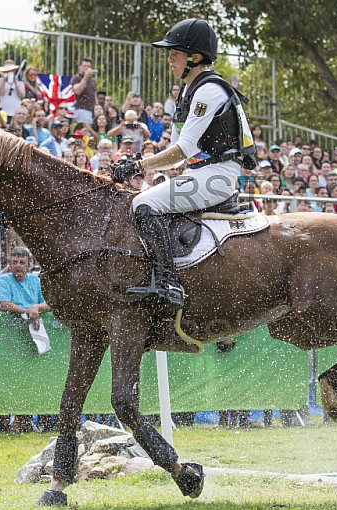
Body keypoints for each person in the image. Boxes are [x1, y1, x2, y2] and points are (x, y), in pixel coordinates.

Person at [111, 19, 257, 313]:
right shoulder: (189, 92)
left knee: (143, 204)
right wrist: (143, 165)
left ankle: (167, 282)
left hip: (217, 176)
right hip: (199, 173)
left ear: (194, 57)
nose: (170, 59)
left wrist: (139, 165)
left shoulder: (208, 90)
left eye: (175, 53)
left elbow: (183, 149)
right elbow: (177, 155)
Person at [0, 246, 51, 432]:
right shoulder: (3, 280)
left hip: (32, 335)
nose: (18, 266)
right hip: (7, 335)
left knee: (30, 375)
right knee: (5, 376)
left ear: (29, 265)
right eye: (14, 262)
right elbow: (3, 304)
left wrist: (36, 308)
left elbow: (49, 303)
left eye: (21, 262)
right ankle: (4, 422)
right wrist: (28, 311)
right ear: (9, 264)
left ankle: (23, 419)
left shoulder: (36, 281)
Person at [70, 58, 96, 126]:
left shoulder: (92, 81)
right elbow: (77, 91)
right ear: (80, 67)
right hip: (82, 109)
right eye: (85, 66)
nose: (87, 68)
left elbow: (94, 94)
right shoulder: (76, 78)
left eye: (89, 66)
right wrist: (85, 78)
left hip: (92, 110)